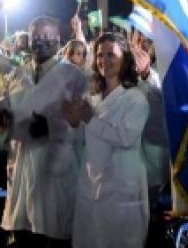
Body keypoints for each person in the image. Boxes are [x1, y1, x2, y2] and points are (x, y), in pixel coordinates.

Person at [0, 16, 89, 248]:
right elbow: (3, 115)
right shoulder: (18, 74)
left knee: (53, 235)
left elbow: (85, 128)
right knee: (22, 236)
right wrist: (1, 120)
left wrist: (51, 130)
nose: (42, 42)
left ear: (58, 40)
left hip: (55, 170)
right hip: (20, 166)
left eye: (48, 37)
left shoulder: (75, 77)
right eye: (36, 37)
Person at [63, 32, 150, 248]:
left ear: (125, 59)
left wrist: (90, 119)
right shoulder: (91, 96)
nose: (104, 61)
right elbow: (79, 136)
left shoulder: (135, 98)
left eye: (111, 54)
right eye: (100, 55)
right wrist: (71, 120)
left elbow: (126, 138)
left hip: (121, 185)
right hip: (91, 183)